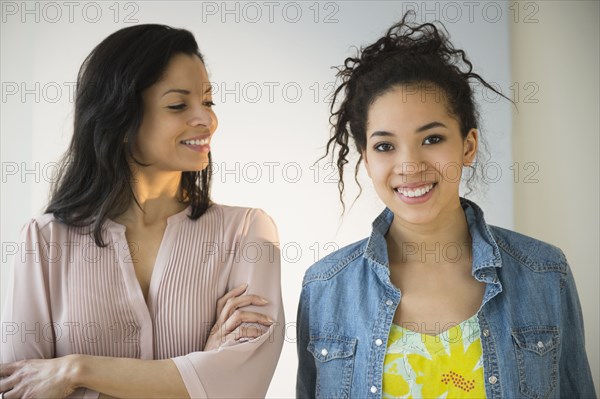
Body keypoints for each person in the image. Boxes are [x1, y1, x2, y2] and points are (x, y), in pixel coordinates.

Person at [296, 12, 596, 399]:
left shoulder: (544, 273)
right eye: (385, 146)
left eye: (432, 138)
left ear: (467, 146)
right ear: (367, 160)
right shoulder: (325, 289)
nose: (410, 166)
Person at [0, 24, 284, 398]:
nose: (207, 119)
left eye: (208, 102)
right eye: (178, 105)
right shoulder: (45, 239)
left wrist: (76, 370)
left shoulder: (248, 232)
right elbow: (21, 388)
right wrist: (200, 369)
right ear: (119, 119)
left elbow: (240, 386)